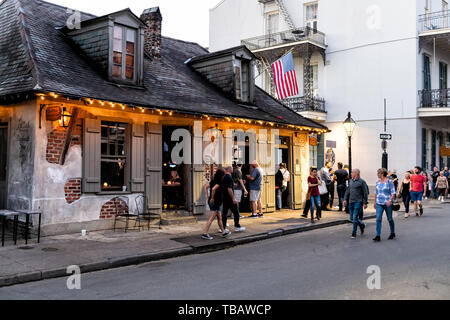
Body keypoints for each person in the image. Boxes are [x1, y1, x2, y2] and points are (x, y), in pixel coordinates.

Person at [202, 168, 230, 240]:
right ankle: (205, 233)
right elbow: (214, 189)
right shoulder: (219, 182)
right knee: (211, 218)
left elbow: (205, 187)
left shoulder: (213, 181)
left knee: (219, 218)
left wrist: (207, 195)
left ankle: (223, 232)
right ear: (221, 175)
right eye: (223, 175)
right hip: (215, 202)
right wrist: (212, 198)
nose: (224, 176)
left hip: (216, 202)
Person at [343, 169, 368, 239]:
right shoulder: (350, 181)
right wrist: (345, 199)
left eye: (352, 172)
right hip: (351, 202)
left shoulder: (362, 182)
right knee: (351, 218)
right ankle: (362, 224)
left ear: (356, 173)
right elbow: (347, 191)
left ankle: (354, 233)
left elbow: (365, 193)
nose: (351, 173)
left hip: (358, 202)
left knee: (354, 217)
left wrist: (365, 202)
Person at [373, 168, 396, 242]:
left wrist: (390, 200)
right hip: (379, 202)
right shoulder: (377, 182)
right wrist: (374, 202)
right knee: (378, 218)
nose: (377, 175)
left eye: (378, 173)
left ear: (382, 174)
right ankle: (378, 235)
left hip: (387, 203)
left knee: (389, 219)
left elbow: (393, 193)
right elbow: (376, 193)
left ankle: (392, 232)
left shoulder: (389, 182)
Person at [221, 166, 246, 233]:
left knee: (224, 213)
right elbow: (229, 189)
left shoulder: (224, 177)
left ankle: (222, 227)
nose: (233, 170)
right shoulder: (229, 177)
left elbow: (231, 185)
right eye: (232, 169)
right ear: (229, 170)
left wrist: (234, 183)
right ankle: (237, 226)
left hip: (224, 197)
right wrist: (233, 198)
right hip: (229, 198)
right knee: (236, 212)